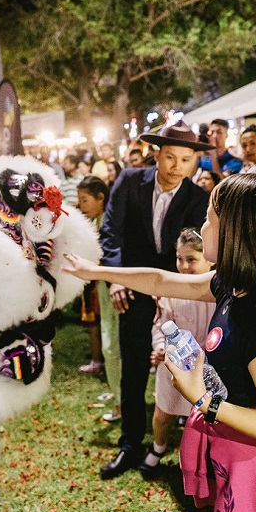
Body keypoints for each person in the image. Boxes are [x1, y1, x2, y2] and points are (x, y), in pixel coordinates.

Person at [63, 173, 256, 512]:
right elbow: (162, 280)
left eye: (209, 218)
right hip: (252, 457)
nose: (202, 226)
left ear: (236, 233)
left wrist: (204, 399)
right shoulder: (234, 284)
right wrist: (97, 272)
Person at [96, 120, 212, 479]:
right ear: (156, 155)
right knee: (132, 366)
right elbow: (110, 232)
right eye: (171, 157)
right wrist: (116, 279)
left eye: (187, 159)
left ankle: (183, 440)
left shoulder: (198, 197)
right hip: (133, 288)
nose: (178, 166)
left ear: (194, 161)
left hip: (180, 294)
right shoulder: (130, 181)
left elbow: (196, 249)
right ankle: (131, 443)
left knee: (186, 364)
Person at [139, 228, 215, 479]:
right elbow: (161, 323)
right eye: (179, 259)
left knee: (205, 418)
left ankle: (203, 458)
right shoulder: (171, 290)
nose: (183, 266)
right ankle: (159, 448)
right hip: (173, 363)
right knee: (163, 413)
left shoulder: (217, 290)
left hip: (207, 366)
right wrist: (160, 347)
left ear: (208, 259)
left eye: (191, 260)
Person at [76, 176, 110, 377]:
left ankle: (101, 359)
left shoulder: (106, 222)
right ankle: (98, 359)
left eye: (85, 200)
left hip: (103, 281)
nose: (81, 206)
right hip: (95, 280)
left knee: (101, 321)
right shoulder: (95, 221)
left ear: (100, 197)